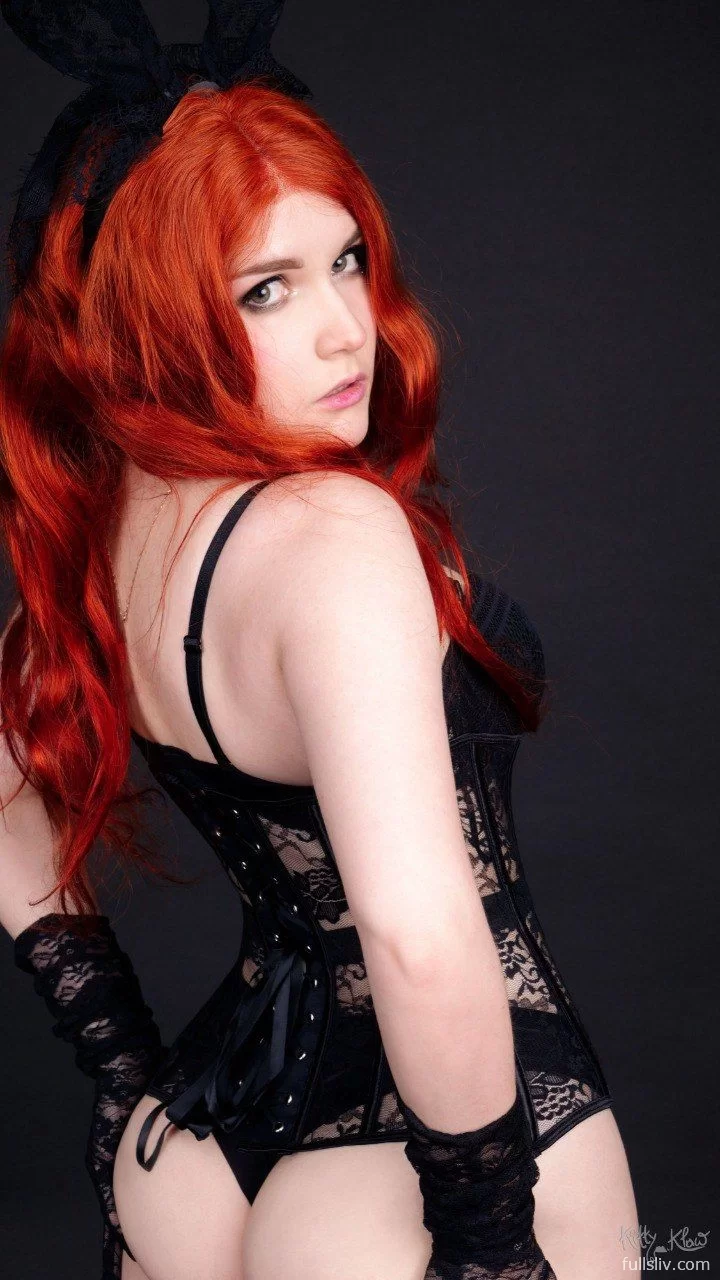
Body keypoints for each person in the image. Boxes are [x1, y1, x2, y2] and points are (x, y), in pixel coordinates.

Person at [0, 3, 641, 1279]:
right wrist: (487, 1243)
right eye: (266, 289)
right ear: (155, 319)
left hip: (195, 1142)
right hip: (430, 1162)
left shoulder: (106, 538)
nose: (349, 326)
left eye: (346, 260)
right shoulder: (334, 535)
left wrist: (119, 1060)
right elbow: (415, 934)